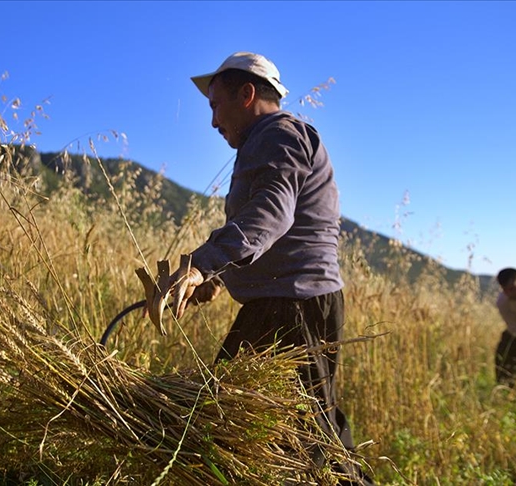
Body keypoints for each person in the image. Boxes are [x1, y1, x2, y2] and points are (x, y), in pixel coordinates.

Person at [141, 52, 370, 484]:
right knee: (263, 424)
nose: (213, 122)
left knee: (303, 437)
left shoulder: (277, 134)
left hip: (292, 306)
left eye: (215, 106)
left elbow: (270, 214)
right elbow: (272, 230)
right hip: (286, 303)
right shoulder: (268, 140)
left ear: (246, 94)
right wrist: (219, 277)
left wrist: (201, 265)